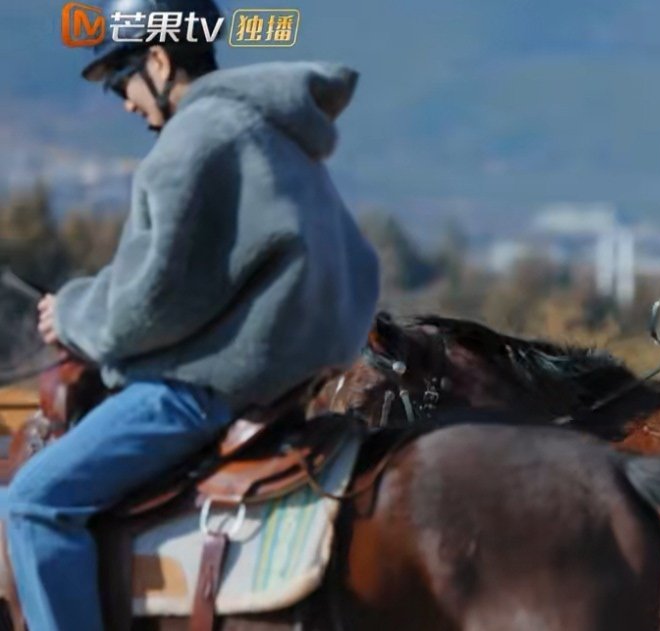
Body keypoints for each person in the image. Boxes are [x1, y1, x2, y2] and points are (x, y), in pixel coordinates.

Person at [3, 0, 380, 628]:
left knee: (34, 503)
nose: (125, 102)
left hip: (199, 390)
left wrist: (70, 315)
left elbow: (149, 300)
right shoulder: (273, 132)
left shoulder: (194, 139)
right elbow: (358, 264)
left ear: (158, 60)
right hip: (287, 384)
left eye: (121, 79)